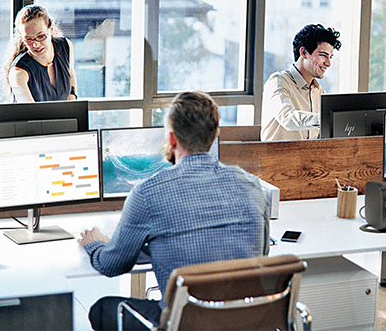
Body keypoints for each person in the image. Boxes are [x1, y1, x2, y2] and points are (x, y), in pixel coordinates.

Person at [78, 91, 270, 331]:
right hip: (244, 321)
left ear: (171, 139)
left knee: (101, 309)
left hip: (184, 323)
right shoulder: (252, 186)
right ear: (215, 134)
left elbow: (111, 266)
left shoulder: (147, 193)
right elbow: (261, 255)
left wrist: (95, 243)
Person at [260, 24, 341, 141]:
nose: (328, 63)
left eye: (330, 57)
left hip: (309, 158)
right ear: (303, 53)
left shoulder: (319, 91)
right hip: (278, 158)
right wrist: (325, 119)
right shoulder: (278, 81)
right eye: (323, 55)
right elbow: (287, 118)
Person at [5, 4, 78, 102]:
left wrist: (70, 108)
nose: (35, 45)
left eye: (40, 36)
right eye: (28, 39)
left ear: (50, 30)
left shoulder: (65, 46)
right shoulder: (18, 73)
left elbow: (71, 79)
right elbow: (31, 114)